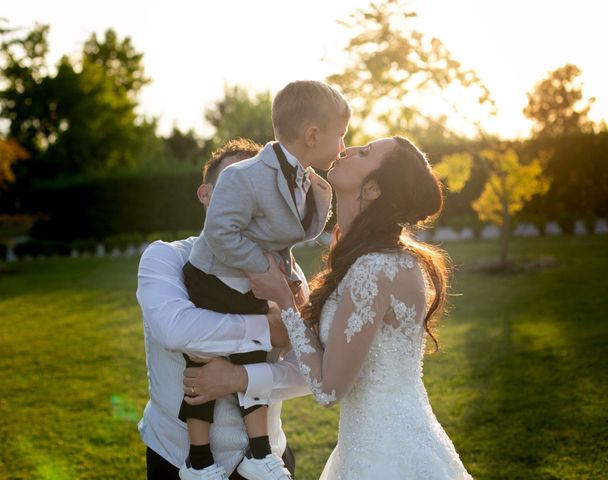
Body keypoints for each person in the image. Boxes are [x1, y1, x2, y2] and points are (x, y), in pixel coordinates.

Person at [248, 136, 474, 479]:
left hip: (388, 454)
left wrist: (284, 302)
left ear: (372, 190)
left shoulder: (376, 268)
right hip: (369, 441)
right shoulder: (372, 259)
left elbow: (327, 389)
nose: (347, 150)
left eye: (365, 153)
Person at [179, 80, 350, 480]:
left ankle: (258, 454)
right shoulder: (243, 176)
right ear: (312, 135)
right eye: (340, 136)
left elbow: (283, 241)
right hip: (214, 279)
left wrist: (284, 274)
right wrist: (265, 269)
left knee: (253, 360)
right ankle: (198, 461)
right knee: (209, 359)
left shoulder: (309, 181)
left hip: (252, 283)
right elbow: (220, 233)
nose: (342, 147)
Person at [136, 138, 310, 480]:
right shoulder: (166, 257)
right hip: (177, 458)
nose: (248, 197)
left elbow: (310, 370)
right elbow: (177, 330)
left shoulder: (286, 270)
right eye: (234, 182)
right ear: (205, 194)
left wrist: (238, 377)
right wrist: (273, 328)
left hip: (269, 459)